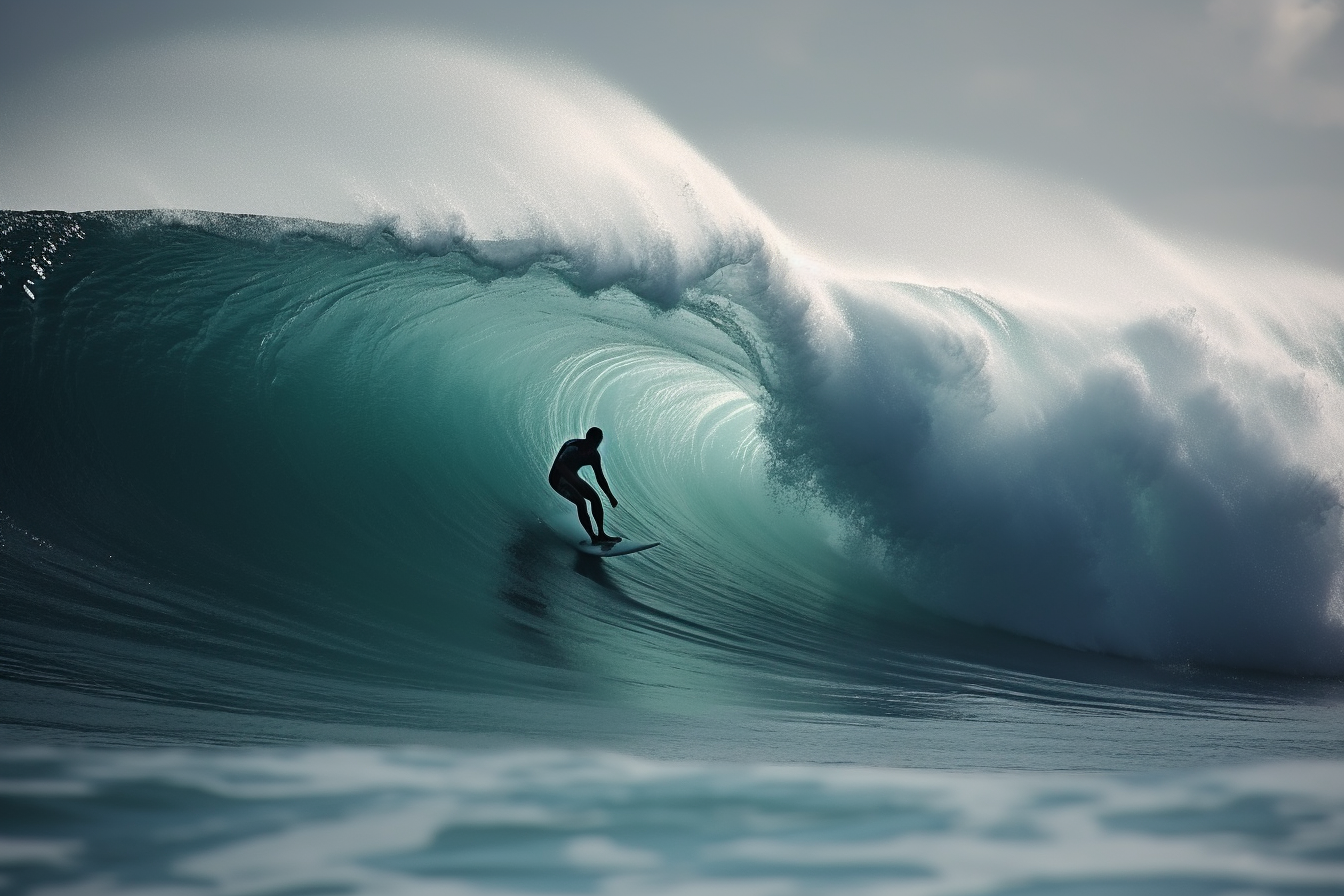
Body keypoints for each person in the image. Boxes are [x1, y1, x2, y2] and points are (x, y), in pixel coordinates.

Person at [550, 427, 620, 545]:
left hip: (572, 479)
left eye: (598, 442)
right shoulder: (572, 447)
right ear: (587, 438)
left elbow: (600, 477)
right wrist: (575, 482)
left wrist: (610, 496)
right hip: (557, 479)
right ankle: (593, 537)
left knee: (595, 499)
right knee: (581, 502)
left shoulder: (594, 456)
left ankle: (601, 535)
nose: (596, 445)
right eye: (594, 442)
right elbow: (560, 465)